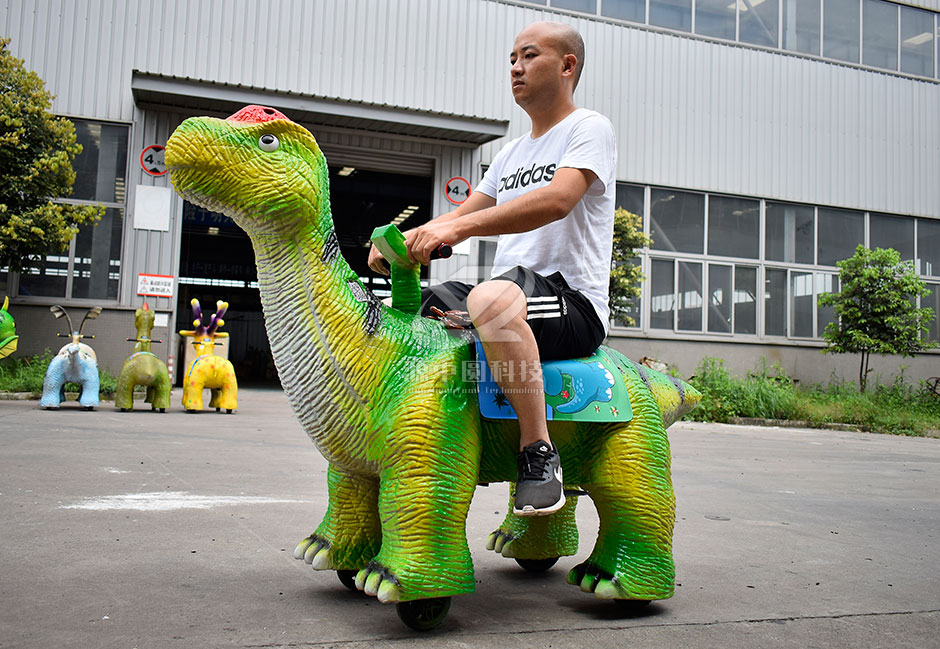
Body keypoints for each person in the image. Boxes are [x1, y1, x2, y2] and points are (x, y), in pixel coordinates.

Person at [368, 21, 616, 517]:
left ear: (567, 66)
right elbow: (456, 217)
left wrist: (457, 232)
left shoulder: (589, 127)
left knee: (487, 299)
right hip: (511, 290)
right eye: (511, 59)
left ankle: (538, 452)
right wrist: (405, 241)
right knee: (414, 309)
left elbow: (559, 199)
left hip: (570, 302)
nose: (516, 67)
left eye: (529, 56)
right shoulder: (509, 154)